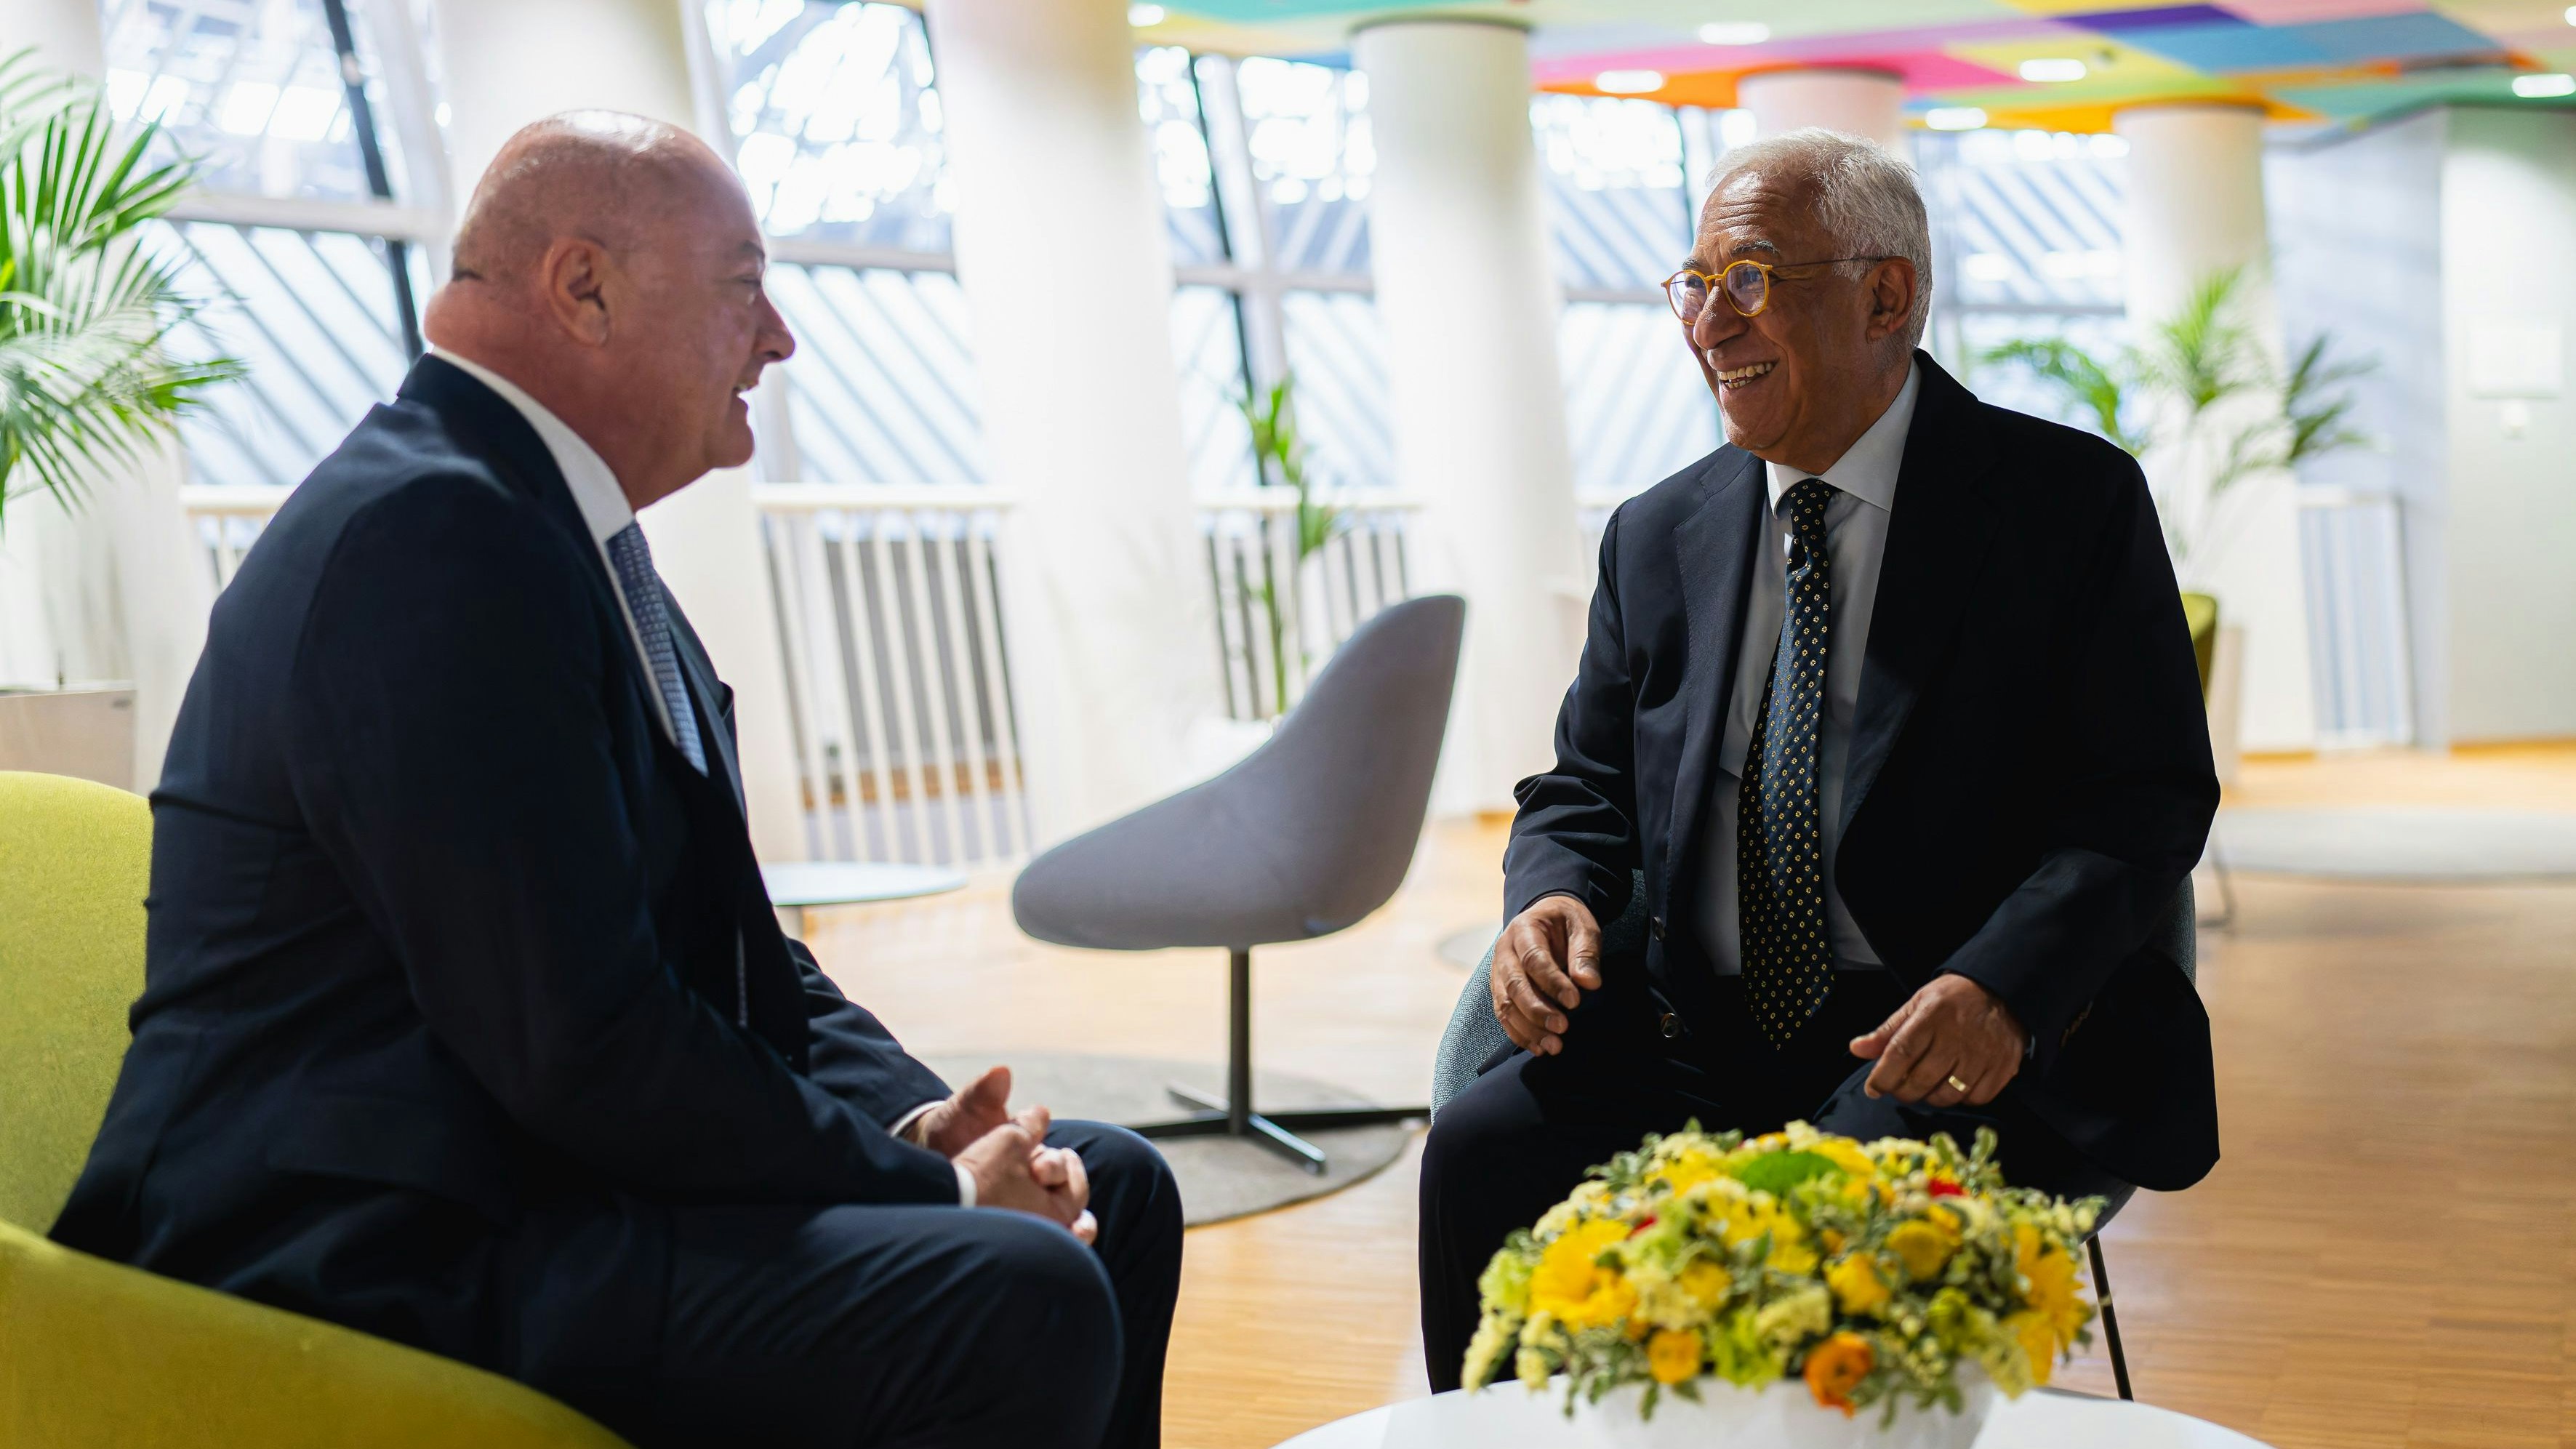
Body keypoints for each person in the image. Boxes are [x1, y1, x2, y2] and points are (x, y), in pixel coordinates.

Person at [52, 113, 1180, 1449]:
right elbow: (583, 1036)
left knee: (1115, 1184)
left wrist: (919, 1124)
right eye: (742, 286)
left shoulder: (560, 537)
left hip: (537, 1181)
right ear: (582, 286)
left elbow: (736, 957)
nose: (779, 337)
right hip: (374, 1244)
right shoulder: (431, 538)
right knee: (1021, 1284)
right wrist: (930, 1199)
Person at [1416, 129, 2220, 1387]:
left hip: (1936, 1032)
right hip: (1693, 1025)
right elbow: (1584, 783)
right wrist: (1553, 891)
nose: (1708, 325)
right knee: (1480, 1152)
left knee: (1810, 1230)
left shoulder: (2066, 504)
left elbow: (2144, 799)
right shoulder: (1657, 531)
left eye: (1748, 278)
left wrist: (2005, 986)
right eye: (1693, 285)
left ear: (1886, 294)